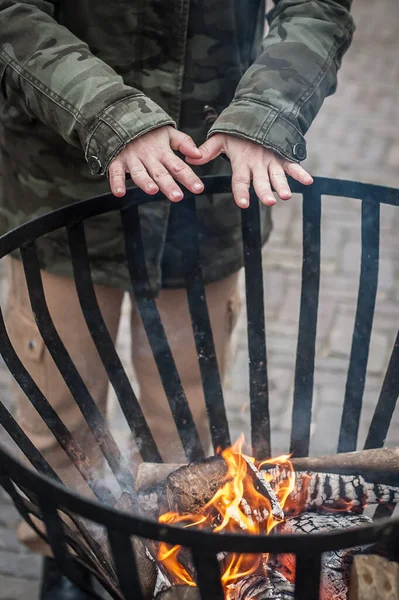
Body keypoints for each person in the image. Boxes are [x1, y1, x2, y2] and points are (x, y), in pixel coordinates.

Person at [0, 0, 354, 597]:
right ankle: (75, 558)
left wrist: (264, 113)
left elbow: (316, 6)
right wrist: (109, 115)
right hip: (60, 195)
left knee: (188, 422)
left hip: (212, 188)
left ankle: (182, 561)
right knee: (57, 419)